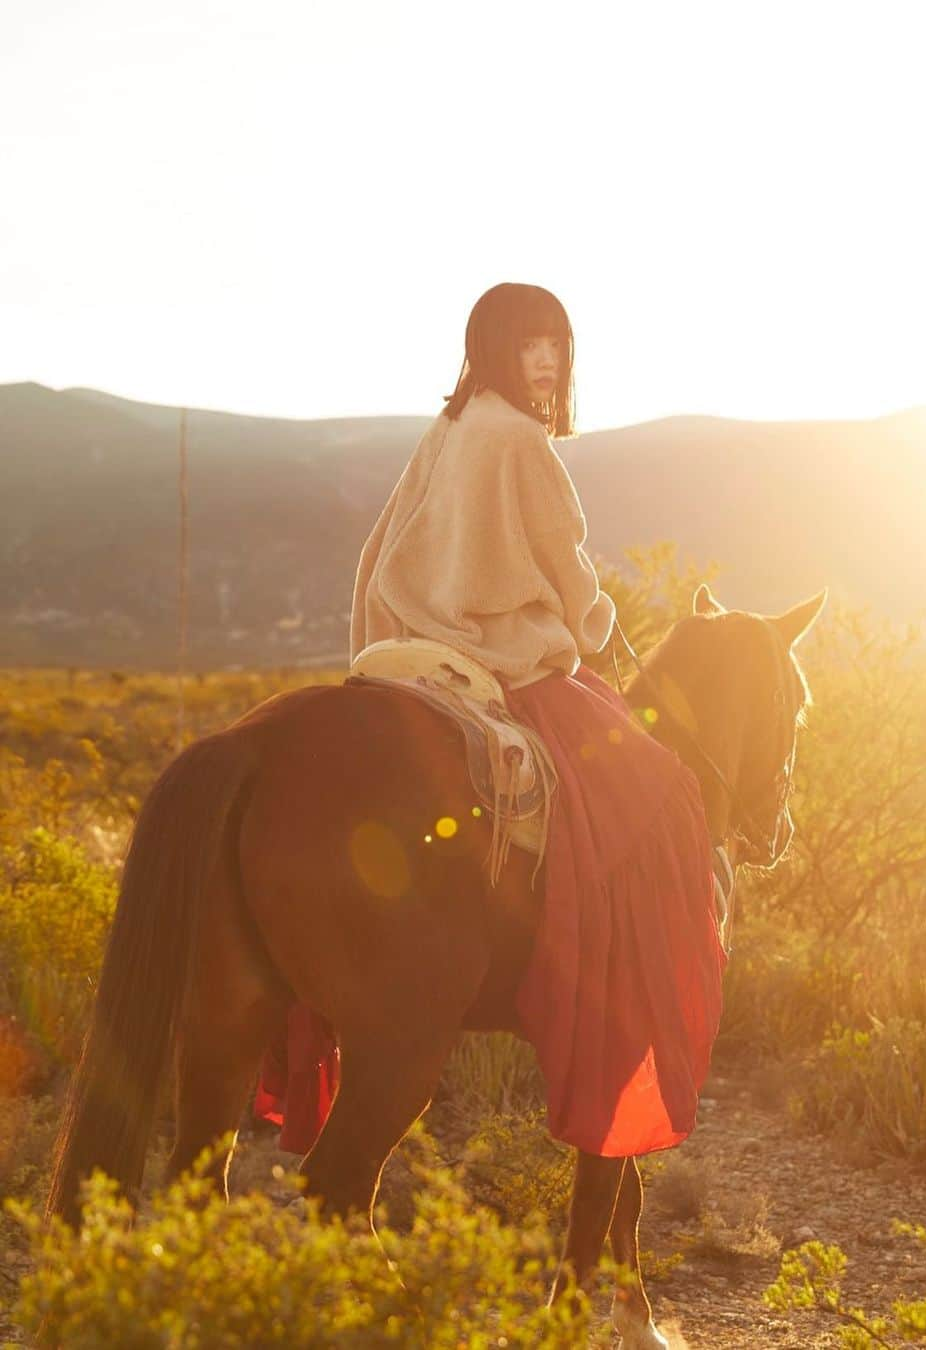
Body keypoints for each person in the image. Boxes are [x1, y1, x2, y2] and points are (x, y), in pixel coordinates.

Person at [257, 282, 725, 1158]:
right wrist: (600, 630)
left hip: (416, 652)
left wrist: (377, 642)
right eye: (529, 345)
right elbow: (566, 564)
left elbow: (380, 547)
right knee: (655, 786)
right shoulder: (522, 441)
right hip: (509, 660)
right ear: (493, 348)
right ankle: (605, 998)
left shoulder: (453, 426)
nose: (546, 362)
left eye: (556, 344)